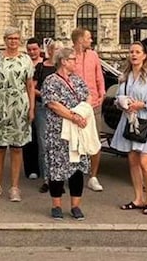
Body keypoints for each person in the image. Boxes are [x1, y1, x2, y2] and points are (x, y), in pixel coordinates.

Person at [109, 42, 147, 215]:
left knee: (144, 161)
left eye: (137, 52)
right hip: (130, 121)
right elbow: (118, 96)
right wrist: (122, 102)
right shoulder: (125, 76)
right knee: (132, 160)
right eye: (131, 52)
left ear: (144, 55)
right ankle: (138, 198)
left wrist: (142, 104)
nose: (134, 55)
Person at [0, 26, 35, 202]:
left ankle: (14, 187)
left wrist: (32, 108)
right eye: (10, 38)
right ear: (5, 40)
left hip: (19, 107)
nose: (13, 41)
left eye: (16, 39)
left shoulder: (26, 59)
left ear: (20, 41)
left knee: (16, 148)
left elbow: (30, 85)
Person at [40, 47, 93, 220]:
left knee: (76, 168)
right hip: (58, 132)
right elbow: (53, 104)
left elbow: (88, 96)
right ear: (63, 61)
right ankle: (56, 205)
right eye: (73, 59)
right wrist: (73, 116)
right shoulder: (51, 81)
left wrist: (83, 113)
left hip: (78, 131)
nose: (75, 63)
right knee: (57, 167)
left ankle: (76, 205)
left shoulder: (77, 80)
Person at [71, 27, 106, 192]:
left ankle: (93, 176)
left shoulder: (93, 55)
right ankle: (72, 172)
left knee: (95, 140)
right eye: (89, 38)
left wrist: (102, 94)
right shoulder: (69, 56)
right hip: (75, 105)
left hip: (93, 104)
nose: (91, 40)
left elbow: (99, 76)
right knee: (73, 140)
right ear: (80, 40)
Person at [32, 40, 62, 193]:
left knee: (60, 144)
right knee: (44, 145)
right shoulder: (41, 67)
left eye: (59, 49)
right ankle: (47, 178)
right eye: (54, 49)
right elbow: (32, 87)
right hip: (42, 108)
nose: (56, 52)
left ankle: (60, 177)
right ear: (49, 51)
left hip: (61, 110)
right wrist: (46, 96)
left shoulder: (63, 68)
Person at [22, 37, 45, 180]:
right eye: (29, 50)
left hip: (42, 104)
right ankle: (31, 169)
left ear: (40, 49)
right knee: (28, 137)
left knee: (42, 137)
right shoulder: (24, 64)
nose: (32, 52)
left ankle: (42, 167)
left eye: (35, 49)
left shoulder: (46, 64)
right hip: (27, 103)